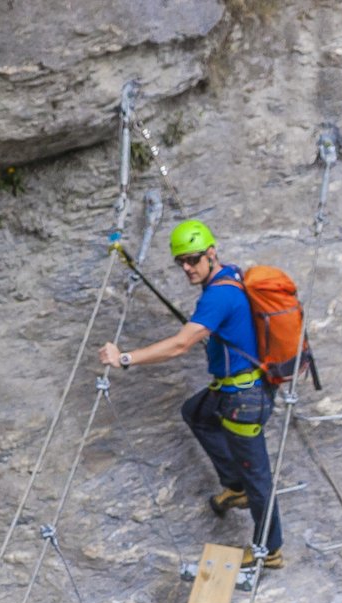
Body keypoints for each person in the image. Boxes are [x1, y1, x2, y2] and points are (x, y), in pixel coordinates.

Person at [98, 218, 286, 569]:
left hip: (243, 399)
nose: (187, 268)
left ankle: (269, 549)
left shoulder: (219, 295)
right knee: (196, 413)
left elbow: (181, 345)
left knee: (258, 475)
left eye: (193, 259)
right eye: (181, 261)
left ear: (211, 253)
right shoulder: (228, 274)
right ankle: (235, 486)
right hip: (236, 389)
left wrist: (124, 358)